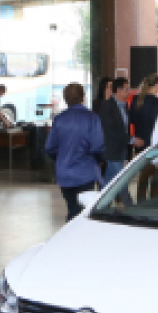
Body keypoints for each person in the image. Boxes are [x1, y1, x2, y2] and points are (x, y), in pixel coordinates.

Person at [45, 83, 105, 221]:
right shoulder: (92, 118)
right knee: (82, 212)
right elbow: (98, 146)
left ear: (65, 99)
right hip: (85, 173)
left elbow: (50, 148)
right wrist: (100, 160)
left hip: (64, 174)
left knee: (72, 208)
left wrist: (61, 159)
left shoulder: (59, 119)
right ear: (82, 97)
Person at [98, 78, 142, 188]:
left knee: (108, 181)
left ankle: (99, 202)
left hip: (121, 150)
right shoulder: (107, 106)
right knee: (121, 183)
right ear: (118, 90)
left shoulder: (125, 106)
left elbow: (124, 128)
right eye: (126, 89)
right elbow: (111, 130)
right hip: (112, 150)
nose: (128, 92)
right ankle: (129, 205)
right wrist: (131, 140)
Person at [129, 74, 158, 151]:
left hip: (138, 141)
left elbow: (131, 119)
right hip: (152, 141)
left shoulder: (135, 99)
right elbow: (156, 121)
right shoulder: (156, 101)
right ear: (157, 85)